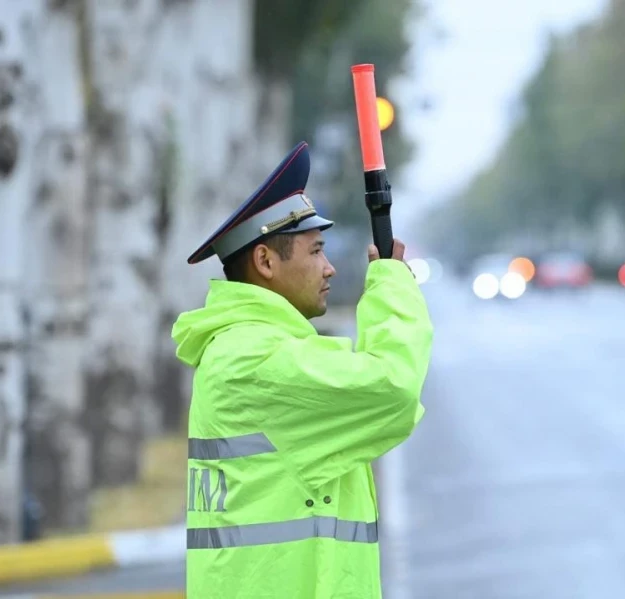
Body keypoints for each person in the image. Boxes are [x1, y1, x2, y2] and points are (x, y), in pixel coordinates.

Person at [171, 141, 433, 598]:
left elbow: (370, 391)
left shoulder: (252, 348)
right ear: (266, 262)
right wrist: (393, 289)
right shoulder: (253, 360)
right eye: (316, 251)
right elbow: (391, 387)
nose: (329, 268)